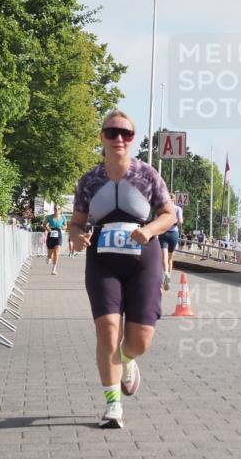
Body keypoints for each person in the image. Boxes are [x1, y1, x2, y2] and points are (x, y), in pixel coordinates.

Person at [69, 110, 175, 429]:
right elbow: (75, 224)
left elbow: (169, 214)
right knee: (108, 331)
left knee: (139, 340)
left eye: (126, 134)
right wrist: (76, 237)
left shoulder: (147, 175)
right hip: (103, 259)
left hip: (143, 257)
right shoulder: (89, 181)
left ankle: (128, 361)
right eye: (112, 133)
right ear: (101, 136)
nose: (118, 139)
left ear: (132, 140)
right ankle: (112, 405)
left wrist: (151, 229)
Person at [160, 193, 183, 290]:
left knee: (164, 257)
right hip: (174, 234)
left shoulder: (163, 208)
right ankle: (169, 276)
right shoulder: (178, 209)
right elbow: (181, 221)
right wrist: (174, 222)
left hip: (164, 233)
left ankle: (165, 274)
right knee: (170, 258)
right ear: (174, 200)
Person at [44, 204, 66, 275]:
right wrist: (48, 229)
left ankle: (54, 269)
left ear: (60, 210)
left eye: (58, 209)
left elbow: (66, 226)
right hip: (51, 234)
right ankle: (48, 257)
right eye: (55, 209)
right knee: (50, 255)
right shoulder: (49, 217)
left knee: (56, 252)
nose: (57, 210)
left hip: (58, 234)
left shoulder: (63, 217)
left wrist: (64, 227)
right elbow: (44, 224)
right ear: (54, 210)